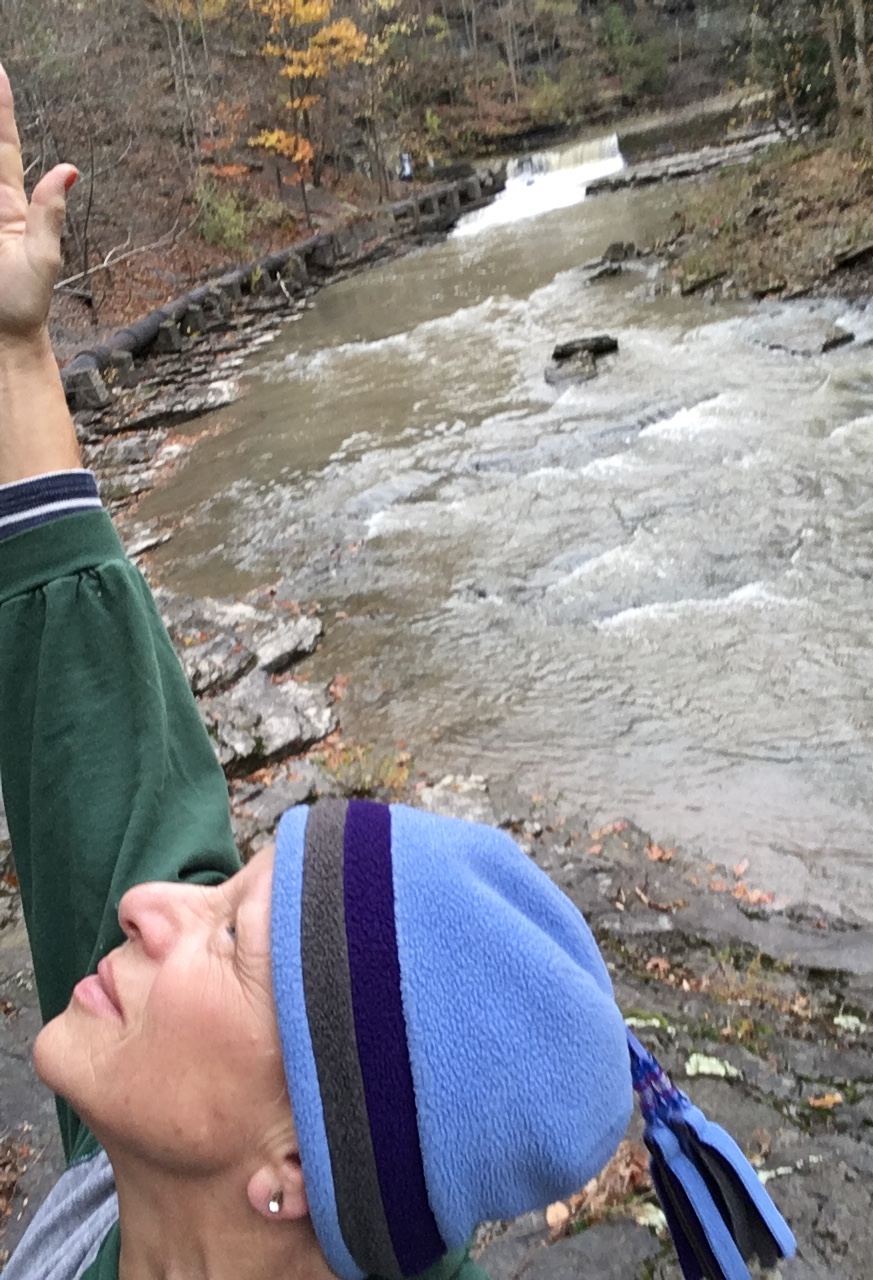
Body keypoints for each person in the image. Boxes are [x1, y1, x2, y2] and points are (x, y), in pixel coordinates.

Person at [0, 60, 793, 1280]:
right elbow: (97, 727)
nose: (149, 902)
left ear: (299, 1175)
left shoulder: (161, 1118)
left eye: (218, 934)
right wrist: (14, 350)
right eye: (225, 900)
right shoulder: (161, 1164)